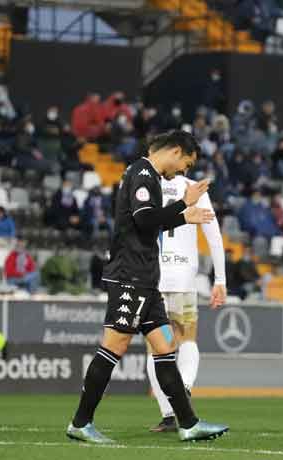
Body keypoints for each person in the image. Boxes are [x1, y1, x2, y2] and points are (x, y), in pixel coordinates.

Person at [66, 130, 228, 443]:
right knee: (115, 346)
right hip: (129, 276)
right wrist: (184, 208)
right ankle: (80, 422)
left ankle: (188, 423)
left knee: (166, 348)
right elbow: (145, 221)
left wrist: (184, 212)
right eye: (186, 164)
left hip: (146, 279)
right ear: (176, 152)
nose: (183, 171)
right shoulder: (142, 174)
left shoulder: (146, 174)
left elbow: (150, 221)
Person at [147, 173, 227, 433]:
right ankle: (185, 389)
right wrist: (220, 279)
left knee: (155, 348)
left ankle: (168, 414)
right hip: (183, 275)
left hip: (153, 276)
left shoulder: (148, 184)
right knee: (187, 339)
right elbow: (213, 234)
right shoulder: (194, 187)